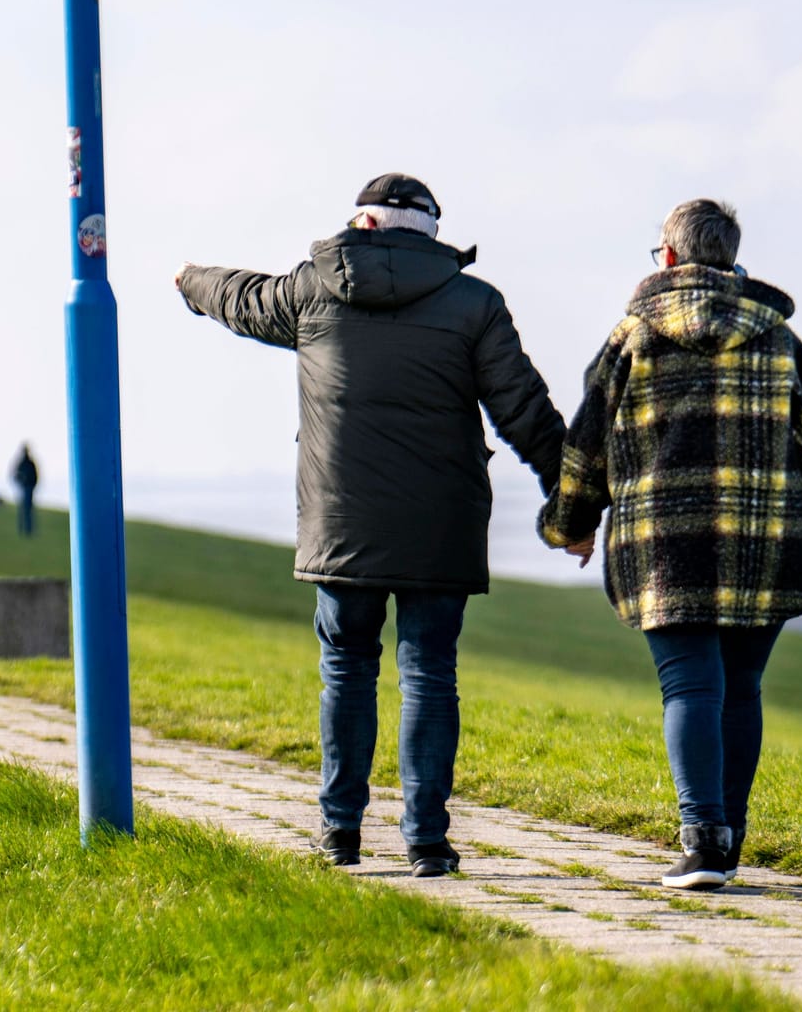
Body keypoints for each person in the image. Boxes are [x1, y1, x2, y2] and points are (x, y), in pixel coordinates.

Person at [175, 173, 567, 877]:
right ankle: (426, 843)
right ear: (431, 234)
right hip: (439, 526)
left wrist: (188, 278)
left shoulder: (311, 290)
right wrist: (572, 500)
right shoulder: (473, 303)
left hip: (340, 524)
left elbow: (239, 297)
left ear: (361, 225)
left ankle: (340, 834)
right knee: (429, 677)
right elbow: (524, 410)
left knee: (346, 672)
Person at [539, 199, 802, 891]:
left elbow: (586, 443)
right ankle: (728, 843)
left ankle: (703, 842)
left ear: (674, 257)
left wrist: (572, 523)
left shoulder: (632, 336)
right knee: (740, 687)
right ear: (729, 257)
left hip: (664, 543)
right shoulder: (778, 339)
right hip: (764, 541)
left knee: (691, 683)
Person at [11, 444, 40, 537]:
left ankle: (28, 530)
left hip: (28, 488)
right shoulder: (22, 463)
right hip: (23, 488)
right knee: (23, 510)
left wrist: (31, 485)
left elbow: (35, 476)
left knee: (27, 510)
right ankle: (23, 530)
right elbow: (15, 475)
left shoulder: (27, 463)